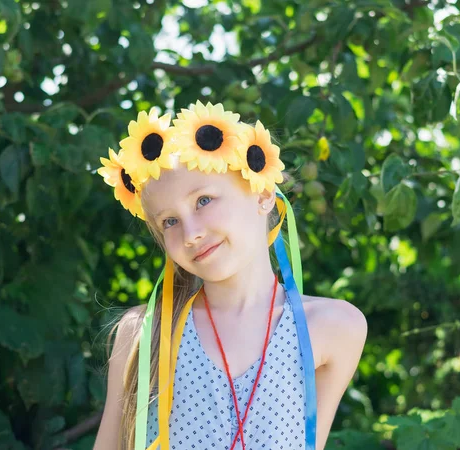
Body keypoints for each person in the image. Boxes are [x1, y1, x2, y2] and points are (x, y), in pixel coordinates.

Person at [93, 100, 367, 450]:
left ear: (263, 193)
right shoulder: (144, 333)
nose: (190, 233)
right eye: (170, 222)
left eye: (204, 200)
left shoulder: (334, 327)